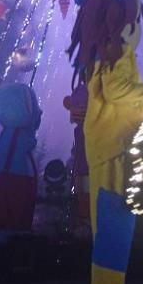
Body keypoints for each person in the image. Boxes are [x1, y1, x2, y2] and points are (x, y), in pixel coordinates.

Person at [66, 0, 143, 284]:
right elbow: (116, 91)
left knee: (111, 221)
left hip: (109, 143)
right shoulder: (115, 51)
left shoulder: (99, 52)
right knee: (115, 220)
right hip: (115, 146)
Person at [0, 82, 42, 244]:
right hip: (20, 176)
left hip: (9, 178)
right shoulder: (24, 132)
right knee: (16, 225)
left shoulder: (14, 134)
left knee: (5, 224)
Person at [62, 81, 90, 225]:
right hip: (85, 169)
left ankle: (83, 223)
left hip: (83, 169)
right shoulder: (83, 130)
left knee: (84, 198)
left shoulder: (81, 130)